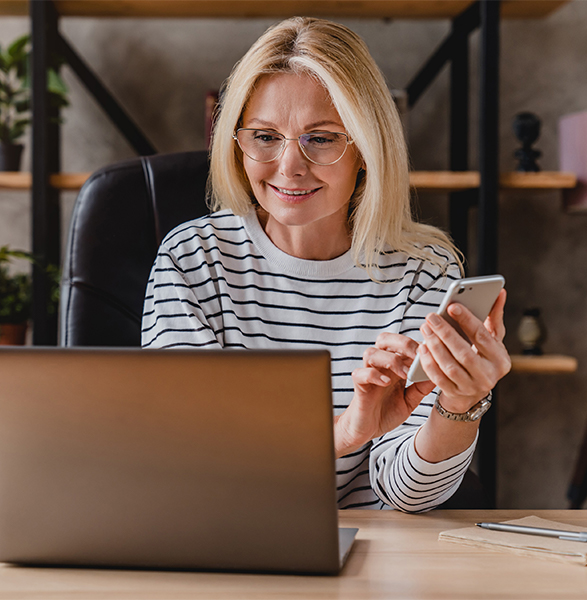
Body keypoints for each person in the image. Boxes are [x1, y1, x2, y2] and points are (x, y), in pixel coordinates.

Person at [141, 17, 510, 512]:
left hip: (370, 561)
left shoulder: (423, 271)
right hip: (223, 539)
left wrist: (459, 406)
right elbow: (190, 464)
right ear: (236, 142)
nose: (290, 166)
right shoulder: (191, 261)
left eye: (321, 138)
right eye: (266, 136)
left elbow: (407, 495)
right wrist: (340, 435)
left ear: (366, 149)